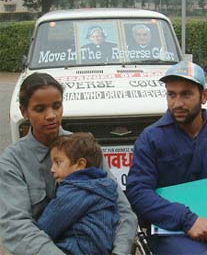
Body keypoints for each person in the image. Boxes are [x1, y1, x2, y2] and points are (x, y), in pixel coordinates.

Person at [0, 72, 137, 255]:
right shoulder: (12, 162)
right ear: (24, 111)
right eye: (40, 109)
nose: (51, 115)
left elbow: (123, 211)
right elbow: (16, 226)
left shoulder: (85, 149)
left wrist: (119, 252)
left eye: (56, 106)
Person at [126, 60, 207, 255]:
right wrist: (186, 220)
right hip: (173, 232)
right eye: (171, 94)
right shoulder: (151, 139)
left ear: (204, 96)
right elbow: (138, 192)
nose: (177, 103)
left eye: (186, 94)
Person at [37, 132, 120, 255]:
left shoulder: (74, 191)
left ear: (80, 164)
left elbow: (47, 226)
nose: (52, 169)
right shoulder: (102, 188)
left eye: (58, 162)